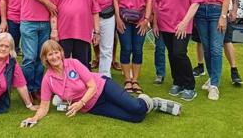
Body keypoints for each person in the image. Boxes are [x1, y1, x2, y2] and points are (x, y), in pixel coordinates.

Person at [20, 40, 182, 127]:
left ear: (61, 53)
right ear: (45, 58)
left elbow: (92, 85)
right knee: (136, 118)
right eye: (50, 55)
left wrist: (79, 103)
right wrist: (34, 118)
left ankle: (152, 102)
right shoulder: (47, 79)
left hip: (103, 88)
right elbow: (44, 106)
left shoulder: (73, 63)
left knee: (136, 108)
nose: (54, 57)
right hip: (92, 106)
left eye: (56, 52)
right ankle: (146, 104)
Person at [20, 0, 65, 101]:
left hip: (46, 22)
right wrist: (48, 3)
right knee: (29, 57)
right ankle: (25, 88)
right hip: (29, 20)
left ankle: (36, 88)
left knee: (41, 58)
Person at [153, 0, 200, 101]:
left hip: (182, 25)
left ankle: (189, 85)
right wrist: (155, 23)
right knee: (171, 53)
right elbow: (156, 2)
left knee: (180, 53)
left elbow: (195, 2)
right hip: (164, 23)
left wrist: (184, 23)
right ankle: (177, 81)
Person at [188, 0, 231, 101]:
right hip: (199, 12)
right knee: (206, 48)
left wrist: (223, 16)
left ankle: (214, 86)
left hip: (215, 11)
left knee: (216, 49)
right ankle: (213, 77)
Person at [114, 0, 153, 94]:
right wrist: (118, 18)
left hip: (140, 19)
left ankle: (135, 80)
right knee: (126, 48)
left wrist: (147, 19)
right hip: (124, 17)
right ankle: (127, 80)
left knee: (138, 50)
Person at [53, 0, 100, 68]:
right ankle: (62, 84)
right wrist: (54, 30)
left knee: (82, 64)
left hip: (83, 32)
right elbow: (54, 9)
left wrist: (97, 32)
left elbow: (95, 11)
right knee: (62, 63)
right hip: (64, 31)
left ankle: (83, 85)